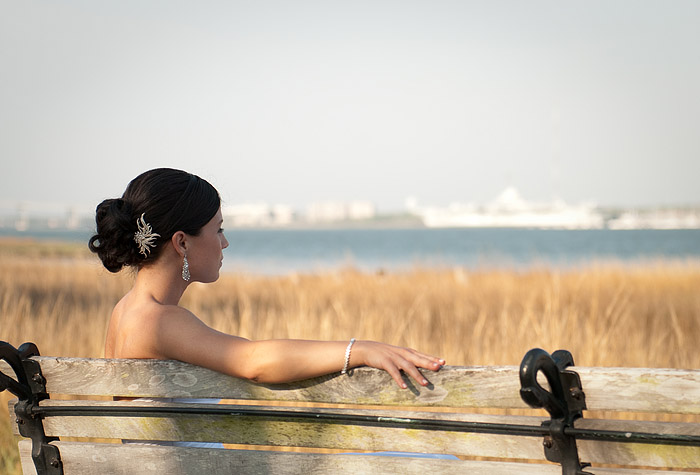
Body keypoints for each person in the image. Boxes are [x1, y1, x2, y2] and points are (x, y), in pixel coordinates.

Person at [89, 168, 444, 389]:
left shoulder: (124, 311)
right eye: (218, 229)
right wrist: (361, 350)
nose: (225, 242)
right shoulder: (159, 321)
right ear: (181, 241)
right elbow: (253, 362)